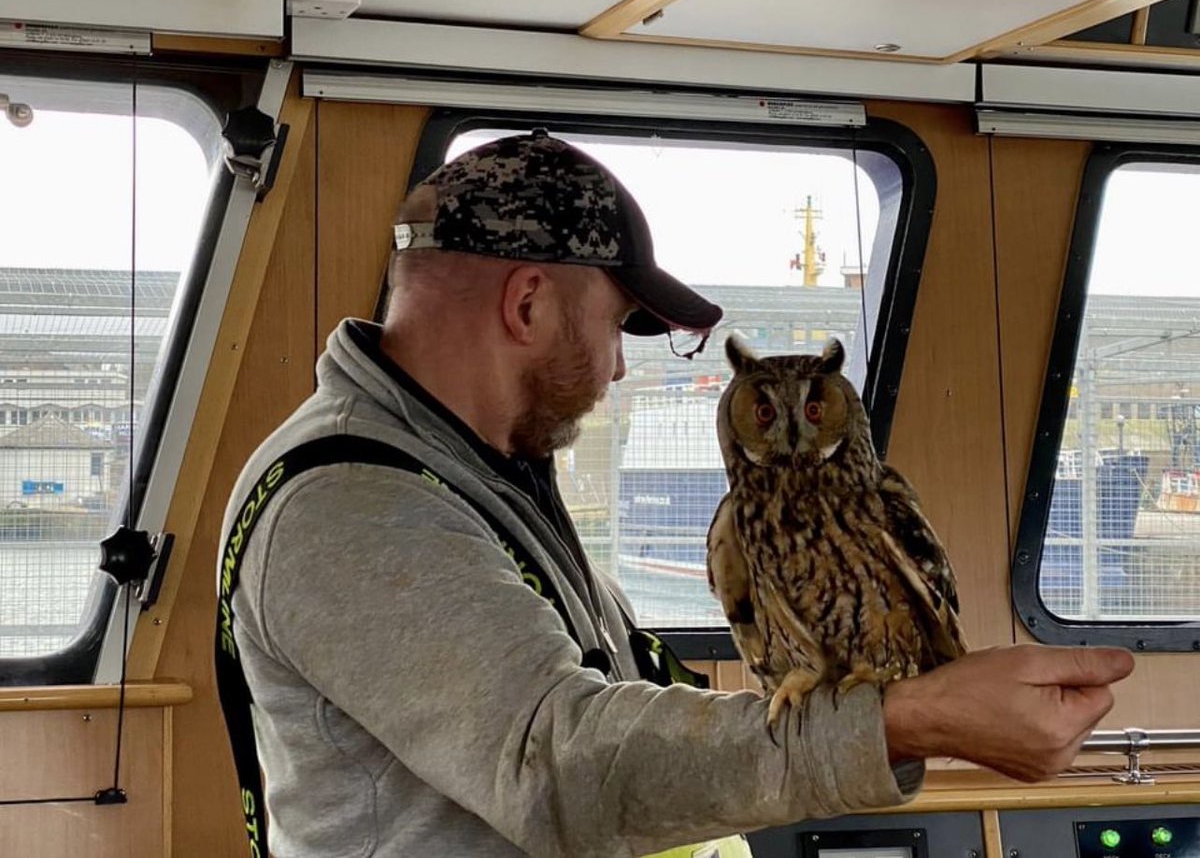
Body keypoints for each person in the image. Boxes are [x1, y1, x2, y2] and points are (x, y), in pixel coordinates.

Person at [218, 130, 1135, 857]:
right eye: (617, 325)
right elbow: (555, 764)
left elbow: (610, 686)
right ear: (527, 304)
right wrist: (905, 721)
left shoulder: (479, 473)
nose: (620, 363)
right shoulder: (349, 503)